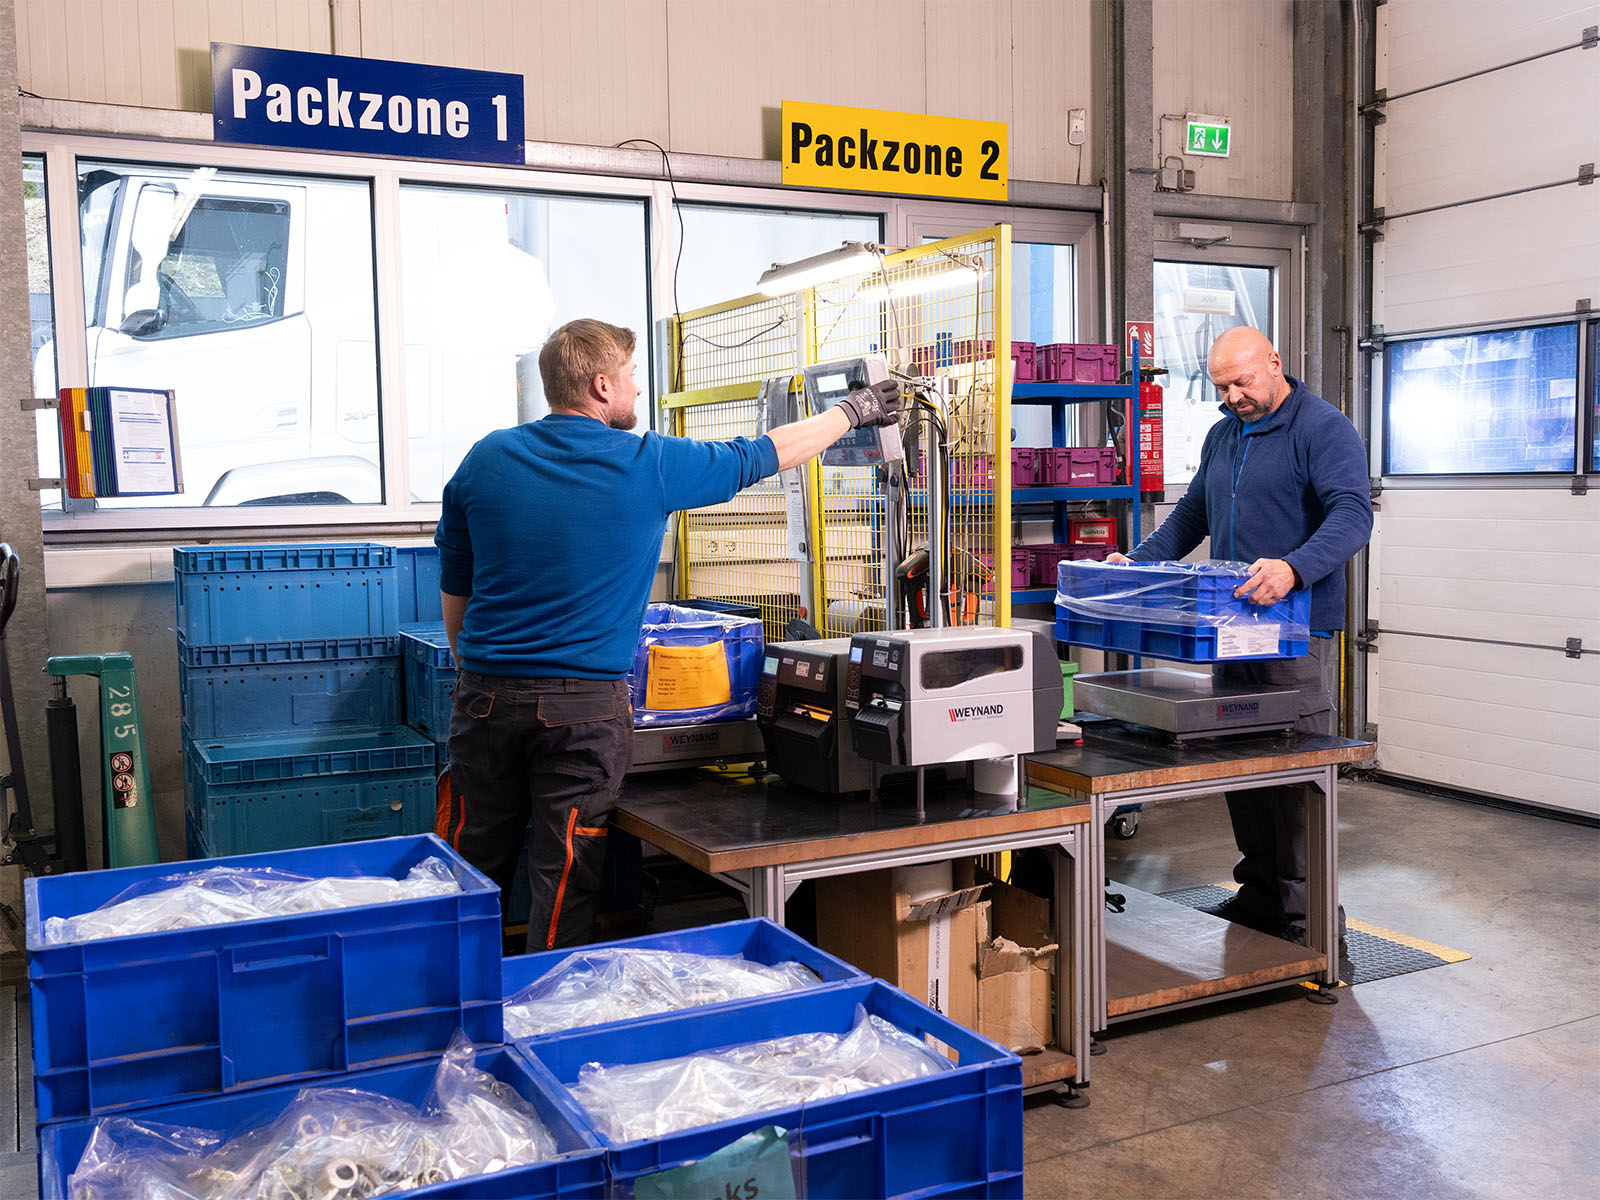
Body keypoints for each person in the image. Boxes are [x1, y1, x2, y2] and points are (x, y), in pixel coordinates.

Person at [434, 318, 901, 951]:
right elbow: (760, 454)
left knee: (468, 870)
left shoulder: (486, 457)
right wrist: (853, 411)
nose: (634, 389)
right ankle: (549, 1019)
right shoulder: (646, 463)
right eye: (629, 376)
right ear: (601, 385)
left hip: (485, 700)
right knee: (565, 874)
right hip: (583, 712)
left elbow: (456, 587)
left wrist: (475, 672)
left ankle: (452, 1017)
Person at [1109, 325, 1372, 965]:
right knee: (1243, 769)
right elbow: (1190, 519)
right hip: (1229, 633)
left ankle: (1313, 923)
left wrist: (1294, 568)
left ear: (1274, 363)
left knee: (1295, 777)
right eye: (1222, 386)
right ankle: (1260, 896)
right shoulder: (1224, 435)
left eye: (1242, 382)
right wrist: (1136, 570)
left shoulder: (1322, 427)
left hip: (1291, 635)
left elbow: (1353, 514)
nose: (1232, 396)